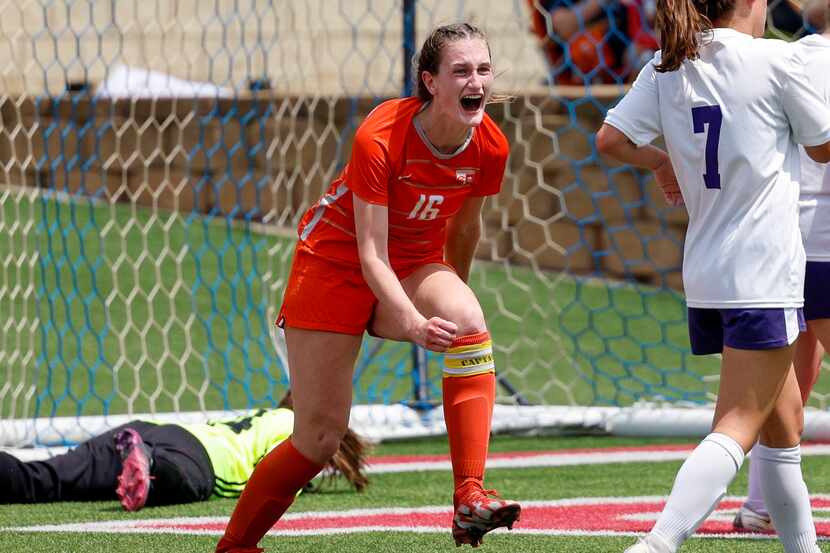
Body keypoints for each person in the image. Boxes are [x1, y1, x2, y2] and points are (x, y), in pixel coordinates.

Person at [215, 22, 521, 553]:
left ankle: (469, 495)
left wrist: (452, 293)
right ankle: (236, 547)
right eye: (462, 71)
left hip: (411, 262)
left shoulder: (490, 145)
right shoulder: (380, 135)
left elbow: (465, 229)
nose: (478, 81)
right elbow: (370, 253)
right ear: (430, 81)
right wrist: (410, 321)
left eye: (484, 69)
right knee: (318, 439)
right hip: (333, 265)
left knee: (471, 322)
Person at [595, 0, 830, 552]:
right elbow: (823, 147)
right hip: (763, 271)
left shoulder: (669, 63)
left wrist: (658, 160)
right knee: (739, 425)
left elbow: (609, 140)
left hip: (708, 270)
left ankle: (803, 549)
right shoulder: (776, 61)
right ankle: (657, 543)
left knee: (783, 425)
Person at [735, 1, 830, 533]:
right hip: (824, 249)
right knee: (780, 389)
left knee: (785, 387)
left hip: (786, 247)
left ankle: (760, 507)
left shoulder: (787, 59)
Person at [0, 391, 369, 511]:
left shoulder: (269, 415)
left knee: (40, 479)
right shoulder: (299, 432)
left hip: (160, 430)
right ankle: (149, 462)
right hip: (201, 459)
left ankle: (141, 455)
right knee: (187, 483)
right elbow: (280, 474)